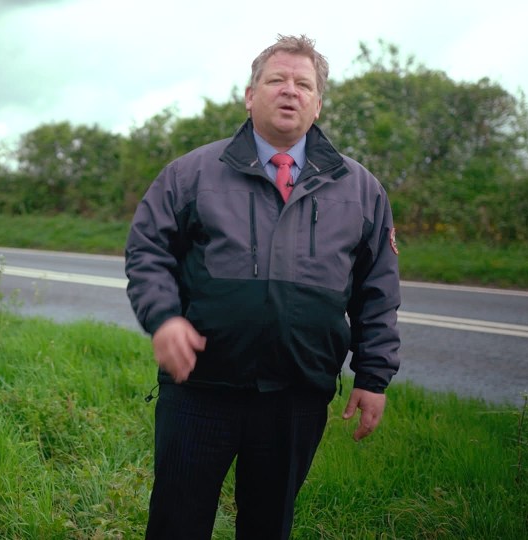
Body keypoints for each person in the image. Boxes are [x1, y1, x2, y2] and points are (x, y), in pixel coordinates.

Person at [124, 34, 401, 539]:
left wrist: (373, 375)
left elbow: (376, 289)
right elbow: (148, 252)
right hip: (200, 389)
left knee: (268, 526)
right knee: (175, 523)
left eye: (303, 84)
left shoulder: (361, 189)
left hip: (296, 396)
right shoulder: (191, 174)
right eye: (276, 80)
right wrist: (163, 318)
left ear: (318, 103)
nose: (289, 91)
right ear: (250, 96)